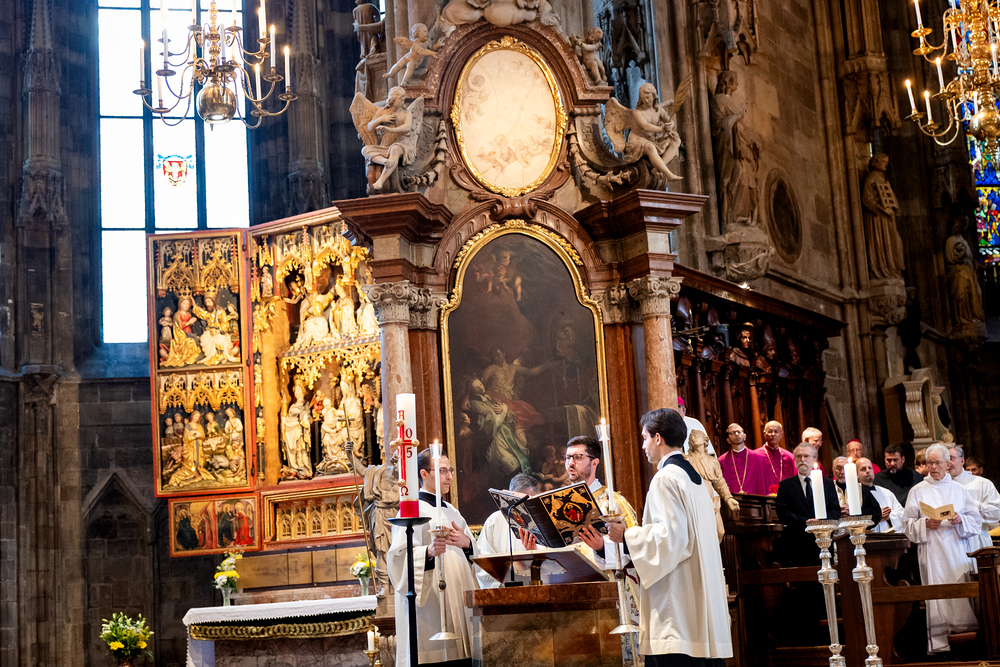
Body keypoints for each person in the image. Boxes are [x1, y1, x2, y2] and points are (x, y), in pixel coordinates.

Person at [605, 408, 733, 666]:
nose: (643, 446)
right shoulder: (694, 478)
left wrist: (626, 536)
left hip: (677, 610)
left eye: (644, 438)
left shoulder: (665, 478)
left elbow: (670, 539)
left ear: (658, 438)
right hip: (699, 606)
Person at [387, 450, 477, 666]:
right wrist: (428, 552)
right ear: (424, 474)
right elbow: (398, 558)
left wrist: (467, 543)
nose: (450, 476)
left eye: (450, 470)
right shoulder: (412, 510)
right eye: (443, 471)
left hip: (461, 598)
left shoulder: (452, 511)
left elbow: (474, 553)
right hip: (432, 606)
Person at [902, 444, 981, 656]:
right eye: (930, 463)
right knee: (936, 592)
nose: (933, 467)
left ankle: (965, 639)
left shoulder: (959, 489)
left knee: (958, 592)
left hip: (956, 549)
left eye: (937, 462)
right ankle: (940, 644)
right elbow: (907, 524)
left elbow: (976, 521)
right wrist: (924, 524)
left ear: (947, 463)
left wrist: (961, 519)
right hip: (932, 550)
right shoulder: (918, 490)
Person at [775, 443, 841, 565]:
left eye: (806, 456)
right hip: (797, 544)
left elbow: (835, 511)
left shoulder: (827, 483)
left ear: (814, 459)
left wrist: (820, 522)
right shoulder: (786, 485)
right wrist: (805, 521)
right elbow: (782, 513)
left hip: (823, 542)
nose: (802, 459)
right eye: (798, 456)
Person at [475, 473, 539, 589]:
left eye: (527, 502)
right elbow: (484, 564)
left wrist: (534, 553)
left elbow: (554, 565)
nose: (521, 507)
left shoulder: (542, 523)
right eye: (517, 501)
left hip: (537, 589)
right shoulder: (494, 521)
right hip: (503, 592)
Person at [948, 445, 1000, 552]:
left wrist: (971, 505)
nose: (947, 463)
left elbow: (996, 513)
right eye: (943, 460)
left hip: (976, 541)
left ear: (962, 461)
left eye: (951, 458)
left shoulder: (982, 483)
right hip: (948, 542)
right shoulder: (936, 488)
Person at [718, 423, 768, 495]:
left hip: (755, 500)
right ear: (728, 440)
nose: (736, 434)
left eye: (739, 432)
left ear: (744, 436)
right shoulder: (722, 461)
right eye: (732, 433)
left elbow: (764, 484)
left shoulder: (759, 458)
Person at [859, 457, 903, 533]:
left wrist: (889, 516)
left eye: (870, 468)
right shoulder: (855, 495)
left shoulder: (886, 493)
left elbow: (902, 514)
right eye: (863, 469)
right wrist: (877, 516)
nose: (868, 471)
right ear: (856, 474)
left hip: (887, 536)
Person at [752, 420, 795, 491]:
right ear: (764, 433)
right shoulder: (755, 456)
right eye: (770, 431)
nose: (773, 434)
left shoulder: (789, 457)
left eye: (776, 431)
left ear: (781, 434)